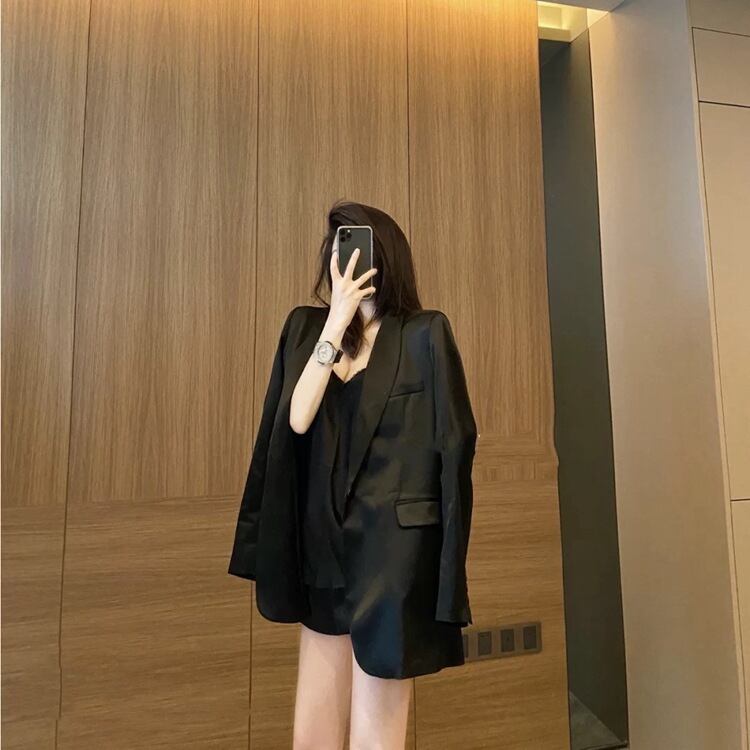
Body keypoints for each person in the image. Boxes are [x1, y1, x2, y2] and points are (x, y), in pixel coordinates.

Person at [228, 200, 478, 750]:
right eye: (338, 249)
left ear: (384, 256)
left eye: (356, 246)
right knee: (311, 731)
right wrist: (338, 319)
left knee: (376, 735)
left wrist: (448, 570)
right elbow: (296, 419)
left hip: (393, 559)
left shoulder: (424, 334)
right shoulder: (305, 329)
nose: (345, 260)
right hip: (323, 549)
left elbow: (455, 449)